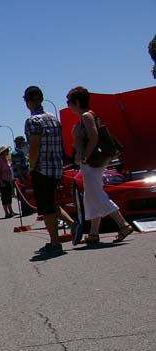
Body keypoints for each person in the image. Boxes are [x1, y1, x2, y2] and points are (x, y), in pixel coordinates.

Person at [66, 86, 134, 244]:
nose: (68, 105)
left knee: (96, 194)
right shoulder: (85, 117)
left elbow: (94, 136)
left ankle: (123, 225)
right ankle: (94, 233)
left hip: (92, 162)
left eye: (69, 102)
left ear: (77, 102)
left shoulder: (86, 116)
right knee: (90, 197)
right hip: (90, 162)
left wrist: (85, 156)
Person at [23, 85, 79, 255]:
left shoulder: (33, 121)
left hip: (42, 168)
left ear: (26, 101)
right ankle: (73, 225)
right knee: (49, 202)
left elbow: (34, 147)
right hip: (56, 167)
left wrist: (32, 166)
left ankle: (55, 242)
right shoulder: (53, 118)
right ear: (41, 98)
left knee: (46, 208)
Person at [0, 145, 16, 218]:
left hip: (8, 180)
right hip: (2, 181)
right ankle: (6, 213)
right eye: (6, 150)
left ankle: (11, 211)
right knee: (4, 197)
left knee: (9, 196)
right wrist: (1, 182)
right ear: (3, 152)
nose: (7, 152)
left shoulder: (6, 159)